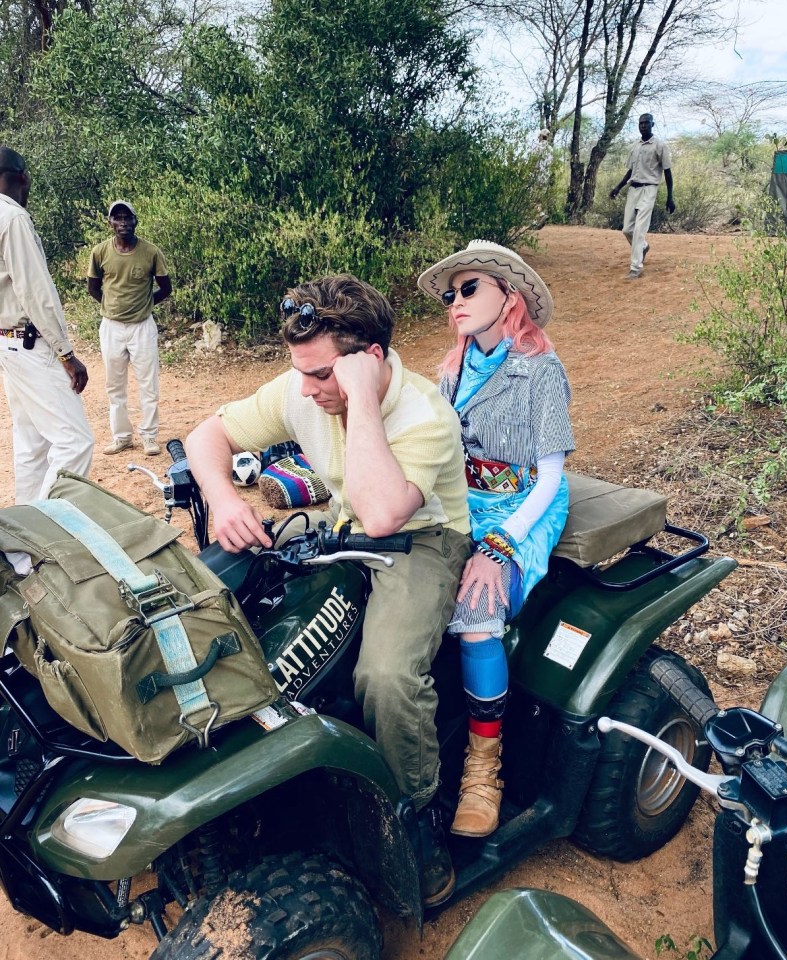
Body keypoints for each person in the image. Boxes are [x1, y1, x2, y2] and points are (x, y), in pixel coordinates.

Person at [185, 273, 471, 907]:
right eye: (301, 373)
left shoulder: (425, 414)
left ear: (371, 361)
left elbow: (381, 516)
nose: (308, 390)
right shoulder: (303, 386)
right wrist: (223, 496)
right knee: (233, 607)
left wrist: (363, 402)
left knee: (388, 678)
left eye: (323, 377)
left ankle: (413, 818)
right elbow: (207, 436)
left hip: (421, 538)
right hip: (345, 524)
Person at [417, 240, 575, 839]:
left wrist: (501, 543)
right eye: (451, 294)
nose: (455, 302)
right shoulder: (450, 371)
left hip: (521, 505)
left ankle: (484, 767)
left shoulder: (539, 370)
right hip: (461, 500)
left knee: (477, 607)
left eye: (469, 289)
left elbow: (551, 475)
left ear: (508, 297)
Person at [0, 146, 94, 504]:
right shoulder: (13, 218)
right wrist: (66, 353)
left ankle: (22, 549)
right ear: (24, 177)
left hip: (6, 344)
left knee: (31, 444)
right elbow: (35, 292)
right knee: (75, 442)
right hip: (29, 343)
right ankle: (48, 529)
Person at [87, 200, 172, 456]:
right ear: (110, 222)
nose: (122, 222)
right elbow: (93, 288)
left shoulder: (150, 252)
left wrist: (144, 306)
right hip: (111, 327)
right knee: (115, 385)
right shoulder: (100, 252)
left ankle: (149, 436)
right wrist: (113, 307)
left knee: (148, 383)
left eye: (127, 218)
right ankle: (122, 436)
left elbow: (165, 288)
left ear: (135, 221)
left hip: (142, 327)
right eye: (117, 218)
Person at [610, 113, 675, 280]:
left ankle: (635, 267)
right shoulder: (635, 146)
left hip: (649, 189)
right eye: (641, 123)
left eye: (646, 123)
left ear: (652, 124)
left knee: (639, 229)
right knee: (627, 229)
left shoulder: (660, 146)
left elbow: (667, 172)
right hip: (634, 188)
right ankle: (643, 247)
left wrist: (670, 197)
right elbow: (630, 171)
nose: (643, 126)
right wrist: (618, 187)